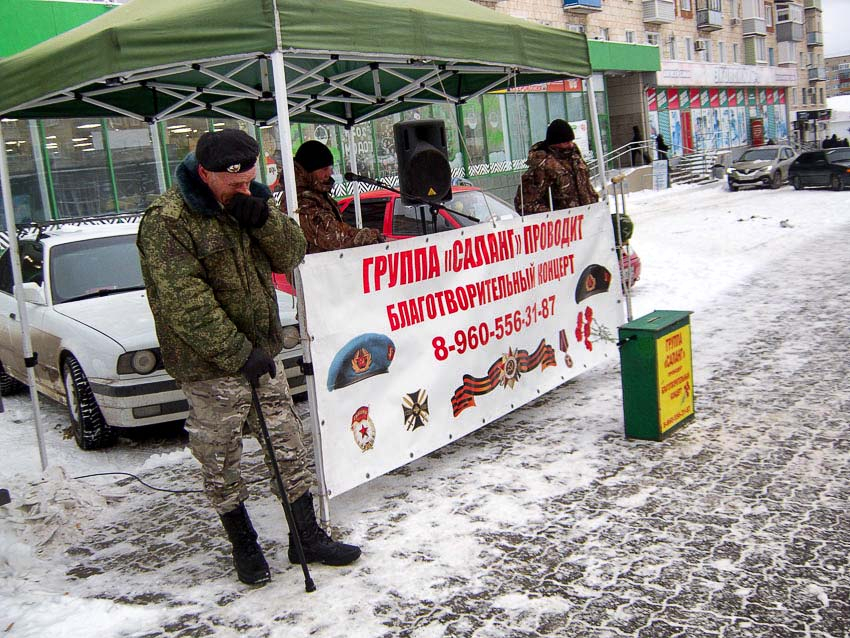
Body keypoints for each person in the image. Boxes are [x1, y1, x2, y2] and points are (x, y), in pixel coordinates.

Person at [137, 129, 361, 587]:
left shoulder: (252, 200)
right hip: (211, 368)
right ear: (204, 174)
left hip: (263, 357)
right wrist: (238, 353)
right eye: (233, 184)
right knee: (220, 460)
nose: (243, 190)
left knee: (288, 447)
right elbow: (186, 303)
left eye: (249, 182)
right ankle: (244, 544)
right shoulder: (169, 220)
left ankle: (306, 537)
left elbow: (293, 253)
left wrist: (265, 220)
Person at [290, 140, 383, 253]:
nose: (329, 173)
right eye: (324, 169)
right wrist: (364, 236)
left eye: (330, 168)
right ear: (310, 171)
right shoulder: (299, 200)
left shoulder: (319, 193)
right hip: (312, 268)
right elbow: (329, 234)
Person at [514, 119, 599, 215]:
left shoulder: (574, 157)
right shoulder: (542, 165)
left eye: (571, 141)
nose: (571, 145)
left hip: (589, 220)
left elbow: (585, 185)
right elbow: (524, 204)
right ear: (555, 143)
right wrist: (553, 217)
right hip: (564, 224)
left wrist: (594, 201)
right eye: (566, 142)